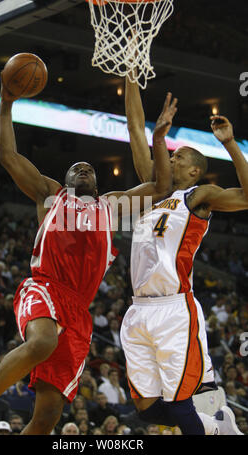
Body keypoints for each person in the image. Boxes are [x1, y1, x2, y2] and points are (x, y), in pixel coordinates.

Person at [0, 74, 173, 435]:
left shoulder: (111, 206)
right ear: (66, 179)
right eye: (76, 168)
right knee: (42, 341)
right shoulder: (50, 195)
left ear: (99, 183)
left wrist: (160, 139)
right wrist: (7, 102)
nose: (83, 169)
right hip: (44, 288)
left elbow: (162, 187)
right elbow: (7, 155)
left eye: (89, 169)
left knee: (47, 417)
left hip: (78, 312)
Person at [120, 74, 248, 435]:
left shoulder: (198, 196)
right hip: (139, 308)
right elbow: (134, 129)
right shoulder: (152, 188)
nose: (170, 161)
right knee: (147, 409)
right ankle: (219, 421)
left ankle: (216, 422)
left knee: (182, 398)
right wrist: (131, 74)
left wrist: (231, 144)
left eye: (178, 158)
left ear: (194, 170)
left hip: (175, 307)